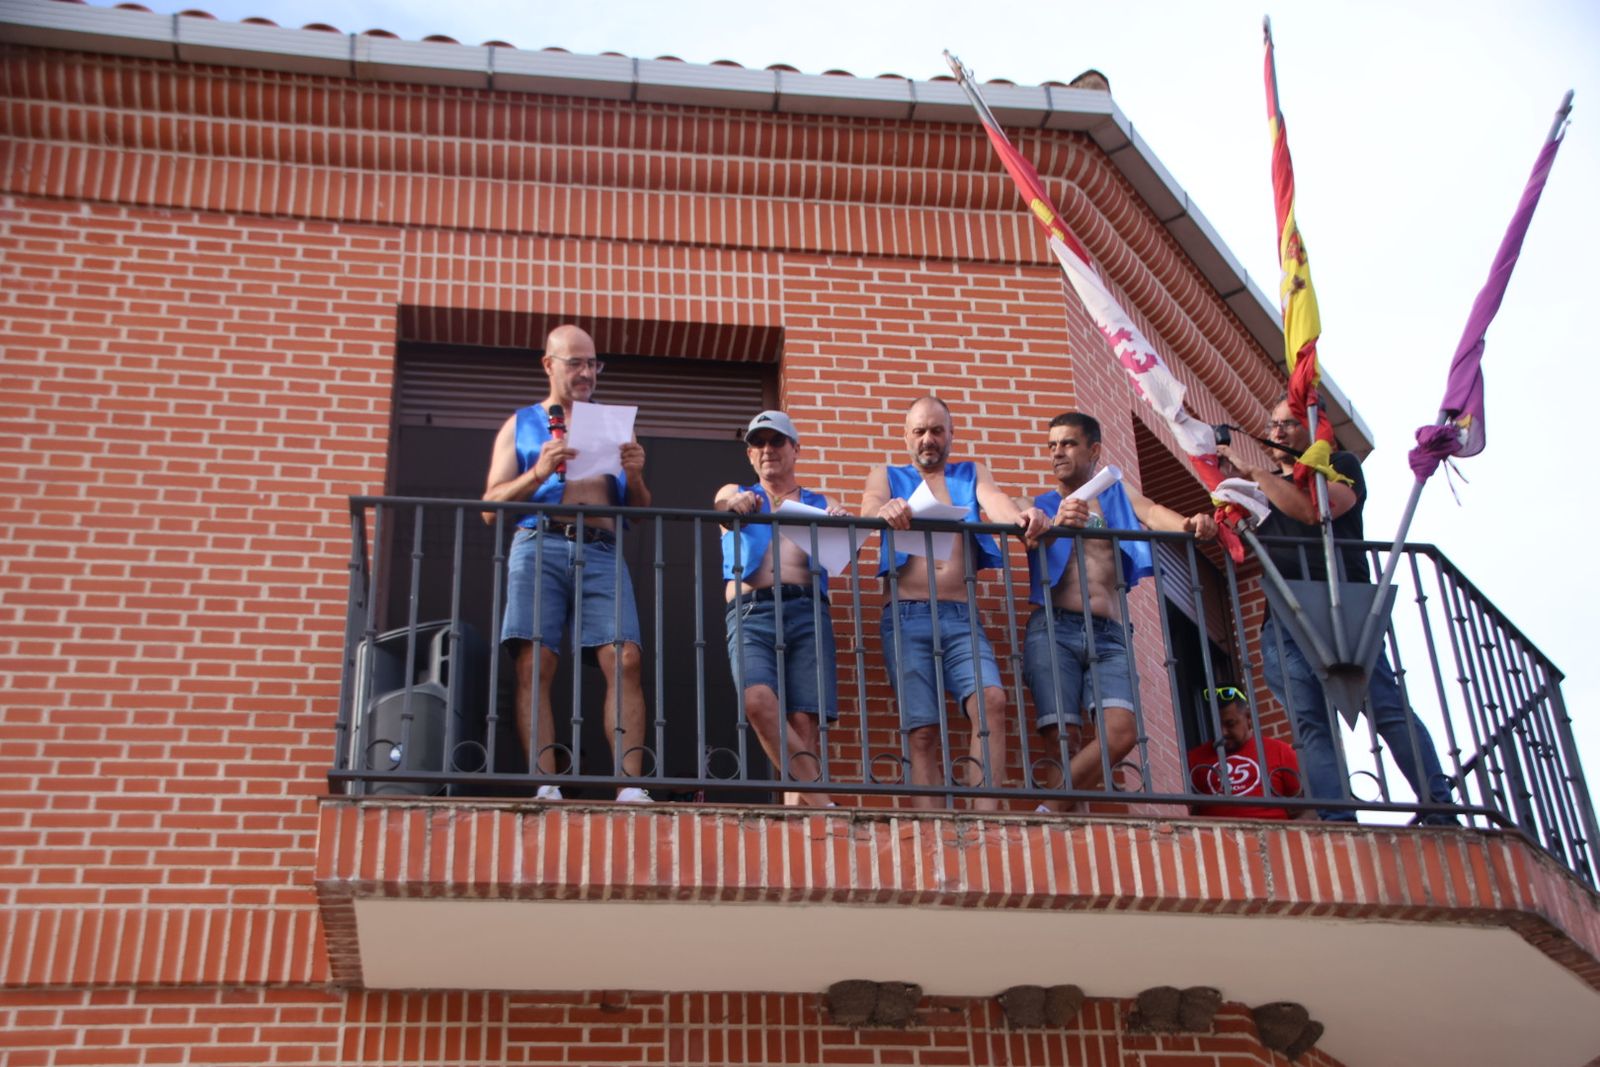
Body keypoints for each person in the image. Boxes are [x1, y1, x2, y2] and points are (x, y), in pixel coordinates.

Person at [1218, 395, 1455, 824]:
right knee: (1309, 723)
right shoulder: (1262, 486)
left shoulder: (1339, 465)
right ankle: (1337, 819)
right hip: (1284, 619)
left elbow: (1317, 510)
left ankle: (1438, 808)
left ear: (1315, 426)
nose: (1276, 432)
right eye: (1272, 425)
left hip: (1342, 606)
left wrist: (1255, 475)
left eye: (1287, 423)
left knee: (1386, 707)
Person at [482, 324, 653, 803]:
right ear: (549, 365)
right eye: (575, 363)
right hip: (539, 541)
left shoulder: (614, 424)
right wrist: (537, 473)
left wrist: (636, 475)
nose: (586, 373)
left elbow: (640, 509)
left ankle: (630, 786)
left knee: (626, 657)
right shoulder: (521, 423)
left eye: (592, 363)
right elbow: (489, 506)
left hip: (601, 547)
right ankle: (545, 782)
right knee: (535, 660)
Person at [860, 396, 1048, 811]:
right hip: (905, 615)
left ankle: (984, 820)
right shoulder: (887, 475)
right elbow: (870, 506)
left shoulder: (971, 473)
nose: (928, 439)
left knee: (991, 701)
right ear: (906, 436)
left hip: (961, 616)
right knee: (922, 730)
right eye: (919, 431)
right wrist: (886, 508)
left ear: (950, 434)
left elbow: (996, 501)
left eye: (936, 430)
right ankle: (931, 829)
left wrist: (1022, 517)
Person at [1021, 412, 1216, 809]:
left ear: (1094, 450)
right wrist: (1055, 523)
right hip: (1054, 627)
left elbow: (1153, 512)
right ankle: (1062, 830)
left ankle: (1047, 810)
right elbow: (1027, 530)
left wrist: (1188, 525)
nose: (1057, 453)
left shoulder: (1117, 495)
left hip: (1110, 633)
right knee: (1062, 739)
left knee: (1121, 731)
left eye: (1068, 443)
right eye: (1052, 445)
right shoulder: (1040, 506)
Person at [715, 411, 847, 808]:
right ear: (749, 454)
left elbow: (846, 556)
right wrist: (734, 504)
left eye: (776, 441)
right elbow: (722, 508)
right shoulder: (736, 492)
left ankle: (799, 817)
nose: (767, 449)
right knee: (757, 700)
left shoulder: (821, 503)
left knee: (803, 720)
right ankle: (824, 805)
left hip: (807, 610)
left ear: (795, 449)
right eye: (758, 443)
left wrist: (842, 524)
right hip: (752, 611)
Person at [1185, 683, 1301, 820]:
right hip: (1216, 833)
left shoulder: (1280, 751)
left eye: (1230, 724)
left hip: (1271, 831)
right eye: (1216, 725)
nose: (1222, 732)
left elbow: (1306, 809)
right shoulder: (1194, 758)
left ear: (1249, 718)